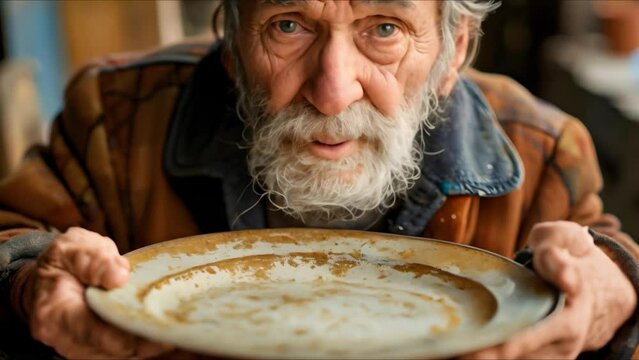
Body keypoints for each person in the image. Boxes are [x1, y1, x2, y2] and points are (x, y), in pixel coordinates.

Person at [0, 0, 637, 358]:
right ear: (231, 38)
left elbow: (598, 262)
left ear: (454, 51)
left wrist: (617, 292)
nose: (332, 91)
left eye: (384, 30)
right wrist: (27, 284)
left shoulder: (540, 150)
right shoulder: (115, 117)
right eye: (288, 25)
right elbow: (14, 239)